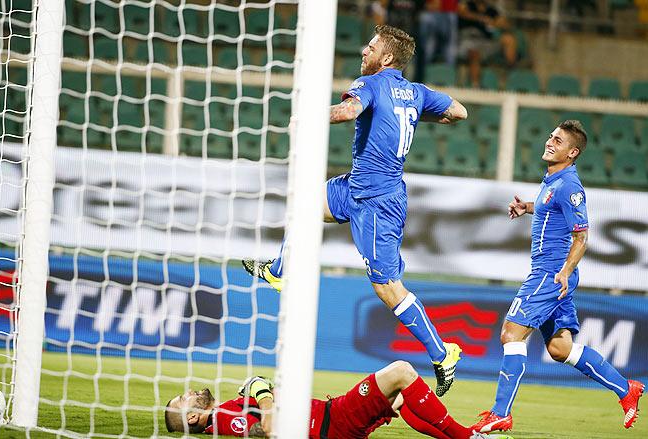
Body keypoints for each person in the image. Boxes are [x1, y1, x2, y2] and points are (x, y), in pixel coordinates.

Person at [242, 24, 468, 397]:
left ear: (388, 58)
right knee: (304, 203)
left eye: (371, 47)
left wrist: (307, 116)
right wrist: (409, 111)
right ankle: (280, 272)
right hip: (356, 187)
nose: (364, 51)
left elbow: (348, 111)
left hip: (378, 202)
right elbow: (458, 112)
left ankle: (443, 354)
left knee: (387, 288)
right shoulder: (414, 92)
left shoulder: (372, 85)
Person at [471, 120, 645, 433]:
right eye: (551, 136)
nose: (550, 141)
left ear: (572, 152)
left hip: (550, 273)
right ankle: (625, 389)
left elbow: (582, 237)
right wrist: (526, 207)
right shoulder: (553, 181)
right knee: (560, 349)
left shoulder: (569, 186)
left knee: (511, 333)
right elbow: (549, 208)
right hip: (552, 273)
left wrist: (564, 271)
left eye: (559, 140)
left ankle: (500, 413)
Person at [164, 360, 514, 439]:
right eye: (185, 400)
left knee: (399, 401)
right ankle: (468, 436)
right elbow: (264, 427)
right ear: (194, 418)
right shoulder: (224, 419)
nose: (190, 393)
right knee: (402, 373)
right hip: (335, 421)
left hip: (333, 418)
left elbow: (257, 395)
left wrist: (256, 391)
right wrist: (263, 397)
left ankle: (466, 436)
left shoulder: (225, 411)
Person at [457, 0, 517, 88]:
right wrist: (482, 18)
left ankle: (512, 76)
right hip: (467, 41)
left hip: (485, 43)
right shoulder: (467, 5)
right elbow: (462, 12)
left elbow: (504, 24)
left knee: (509, 39)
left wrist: (495, 22)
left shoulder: (491, 10)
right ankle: (475, 85)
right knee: (474, 52)